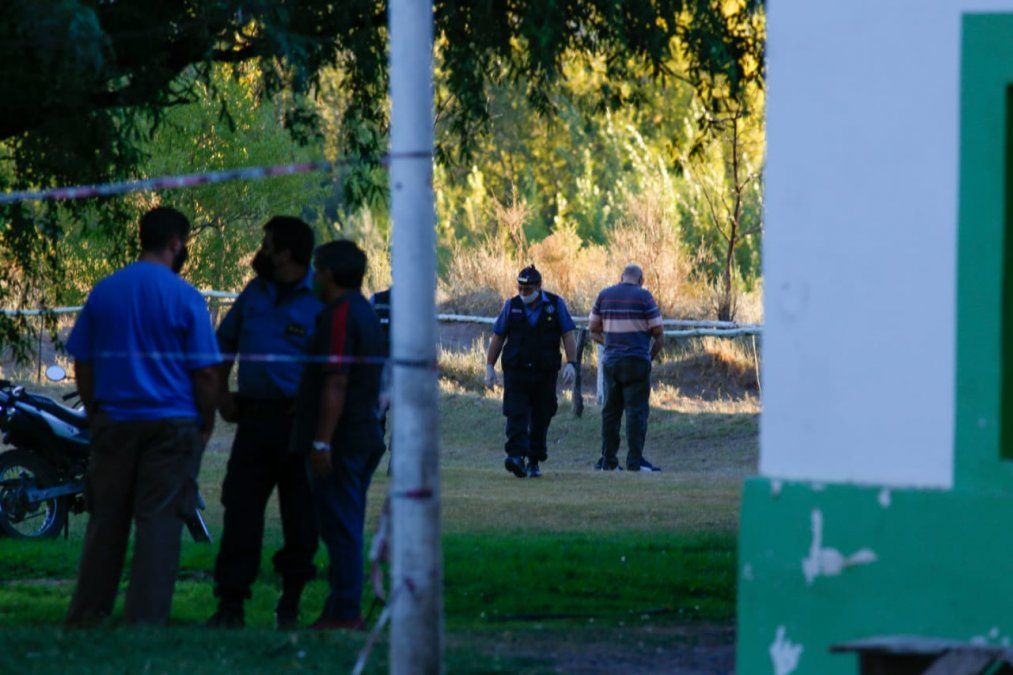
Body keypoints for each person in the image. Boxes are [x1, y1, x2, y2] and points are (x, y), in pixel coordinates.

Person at [65, 207, 220, 626]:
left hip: (115, 422)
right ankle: (145, 621)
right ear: (176, 243)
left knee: (106, 522)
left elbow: (84, 361)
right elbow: (206, 372)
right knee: (159, 525)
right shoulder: (185, 297)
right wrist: (206, 421)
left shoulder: (106, 291)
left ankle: (87, 614)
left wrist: (97, 410)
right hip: (171, 425)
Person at [207, 217, 322, 630]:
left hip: (297, 424)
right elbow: (223, 343)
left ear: (287, 253)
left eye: (268, 245)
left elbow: (337, 369)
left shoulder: (320, 299)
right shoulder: (255, 293)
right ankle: (230, 606)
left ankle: (289, 605)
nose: (262, 251)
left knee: (300, 517)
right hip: (254, 420)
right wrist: (221, 394)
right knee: (240, 511)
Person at [292, 240, 385, 629]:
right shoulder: (363, 311)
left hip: (344, 439)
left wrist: (321, 441)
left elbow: (336, 382)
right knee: (343, 523)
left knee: (342, 527)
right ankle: (339, 605)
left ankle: (346, 611)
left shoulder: (341, 314)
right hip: (364, 433)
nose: (312, 276)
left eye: (317, 268)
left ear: (329, 272)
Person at [485, 265, 578, 478]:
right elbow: (498, 337)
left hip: (544, 372)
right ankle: (515, 456)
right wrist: (490, 365)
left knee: (542, 415)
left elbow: (568, 335)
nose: (523, 293)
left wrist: (572, 363)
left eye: (528, 289)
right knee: (516, 412)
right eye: (520, 288)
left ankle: (534, 459)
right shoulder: (511, 305)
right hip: (516, 371)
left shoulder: (555, 305)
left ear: (539, 286)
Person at [588, 263, 665, 472]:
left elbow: (593, 330)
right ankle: (635, 461)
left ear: (620, 277)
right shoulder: (644, 297)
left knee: (610, 413)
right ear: (641, 280)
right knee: (636, 412)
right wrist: (649, 357)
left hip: (612, 362)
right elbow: (659, 333)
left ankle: (608, 461)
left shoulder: (605, 295)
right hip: (637, 361)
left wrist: (609, 343)